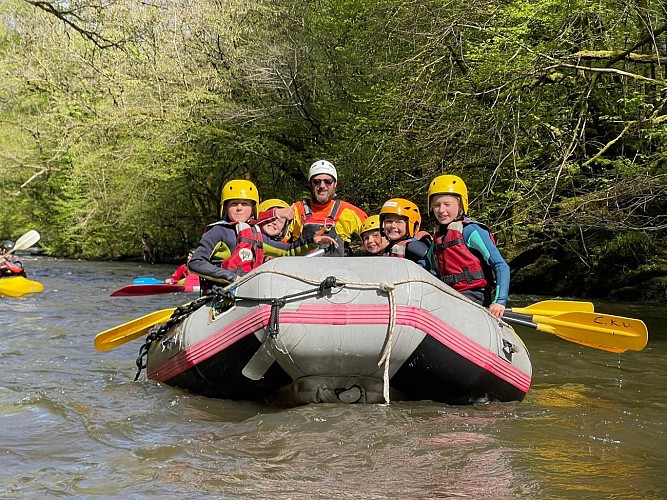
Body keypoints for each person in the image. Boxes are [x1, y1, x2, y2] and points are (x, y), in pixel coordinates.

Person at [189, 180, 337, 288]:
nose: (239, 208)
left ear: (253, 209)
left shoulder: (255, 234)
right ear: (225, 208)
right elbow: (196, 263)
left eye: (245, 204)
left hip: (248, 294)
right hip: (220, 293)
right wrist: (230, 276)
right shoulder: (218, 232)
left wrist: (313, 240)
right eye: (234, 204)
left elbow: (287, 251)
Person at [428, 174, 510, 318]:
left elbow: (500, 265)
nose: (441, 210)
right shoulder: (439, 237)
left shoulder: (471, 231)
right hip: (448, 294)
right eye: (436, 205)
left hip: (475, 295)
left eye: (447, 204)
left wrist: (500, 301)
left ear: (460, 205)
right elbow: (423, 265)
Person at [287, 160, 367, 256]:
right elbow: (280, 242)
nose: (322, 186)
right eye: (316, 182)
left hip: (338, 269)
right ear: (310, 184)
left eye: (328, 181)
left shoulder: (348, 211)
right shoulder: (296, 210)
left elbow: (376, 237)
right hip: (301, 269)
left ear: (335, 184)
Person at [378, 199, 432, 270]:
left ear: (412, 224)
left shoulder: (413, 246)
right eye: (389, 221)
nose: (392, 226)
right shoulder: (389, 247)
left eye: (399, 222)